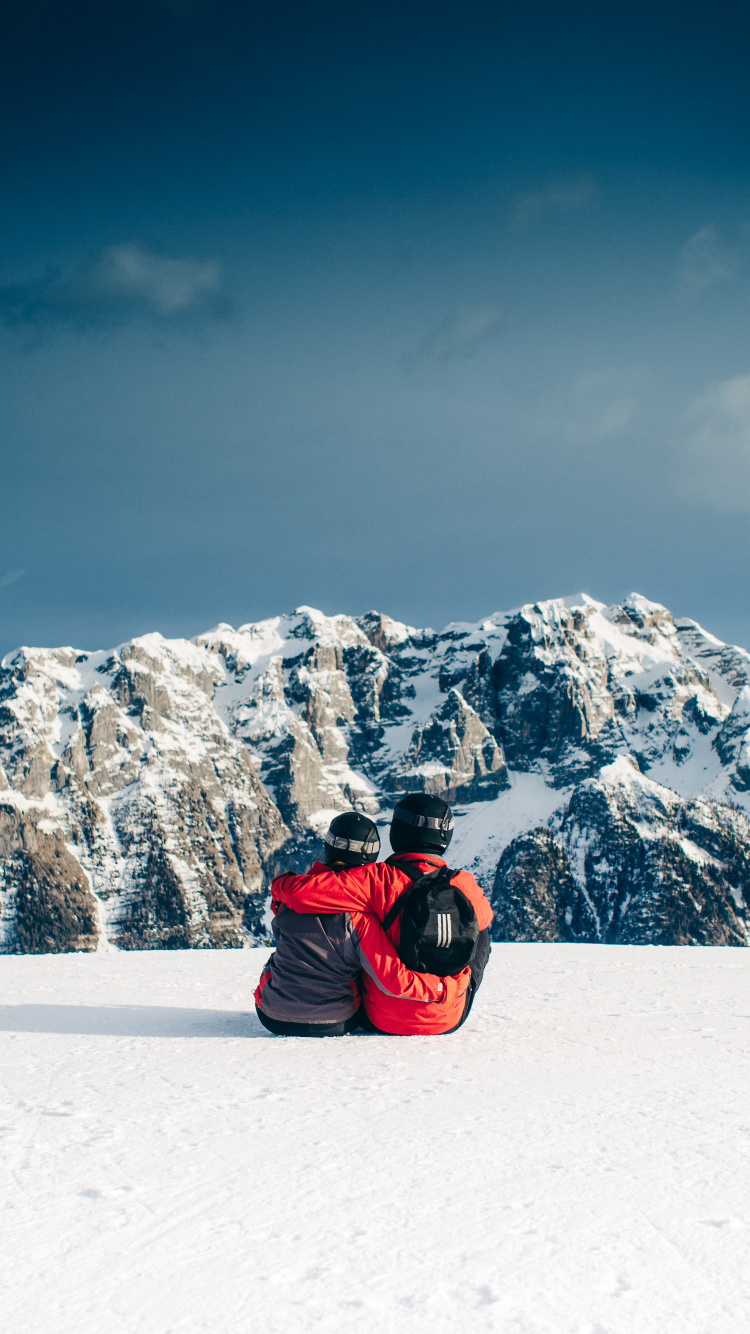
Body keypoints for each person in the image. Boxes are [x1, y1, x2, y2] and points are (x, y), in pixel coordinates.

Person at [271, 793, 493, 1035]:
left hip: (383, 1019)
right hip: (449, 1015)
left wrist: (283, 882)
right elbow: (485, 918)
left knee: (357, 928)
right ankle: (450, 998)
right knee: (481, 933)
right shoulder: (464, 883)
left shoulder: (375, 879)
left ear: (396, 832)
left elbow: (300, 893)